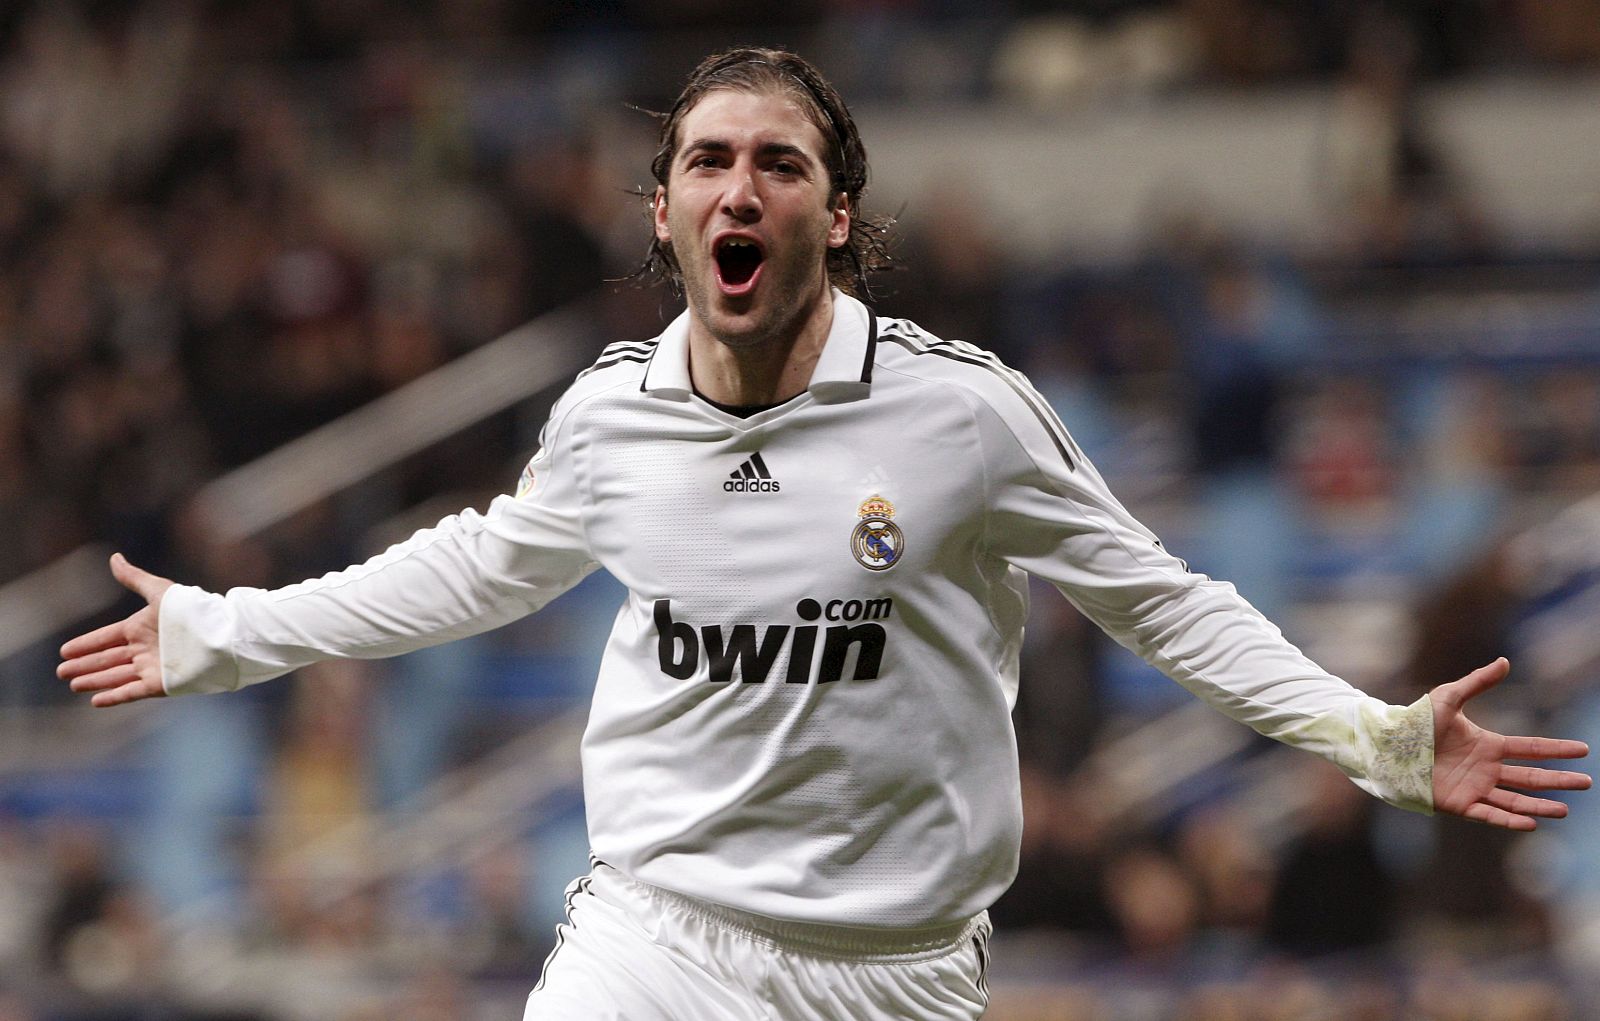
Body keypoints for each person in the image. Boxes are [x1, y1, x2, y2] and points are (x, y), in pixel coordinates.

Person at [57, 48, 1589, 1021]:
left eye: (778, 162)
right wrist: (222, 631)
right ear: (662, 214)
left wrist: (1373, 736)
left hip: (893, 976)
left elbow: (1164, 603)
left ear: (836, 215)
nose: (741, 186)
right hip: (656, 936)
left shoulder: (965, 417)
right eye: (708, 163)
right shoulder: (611, 416)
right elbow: (474, 564)